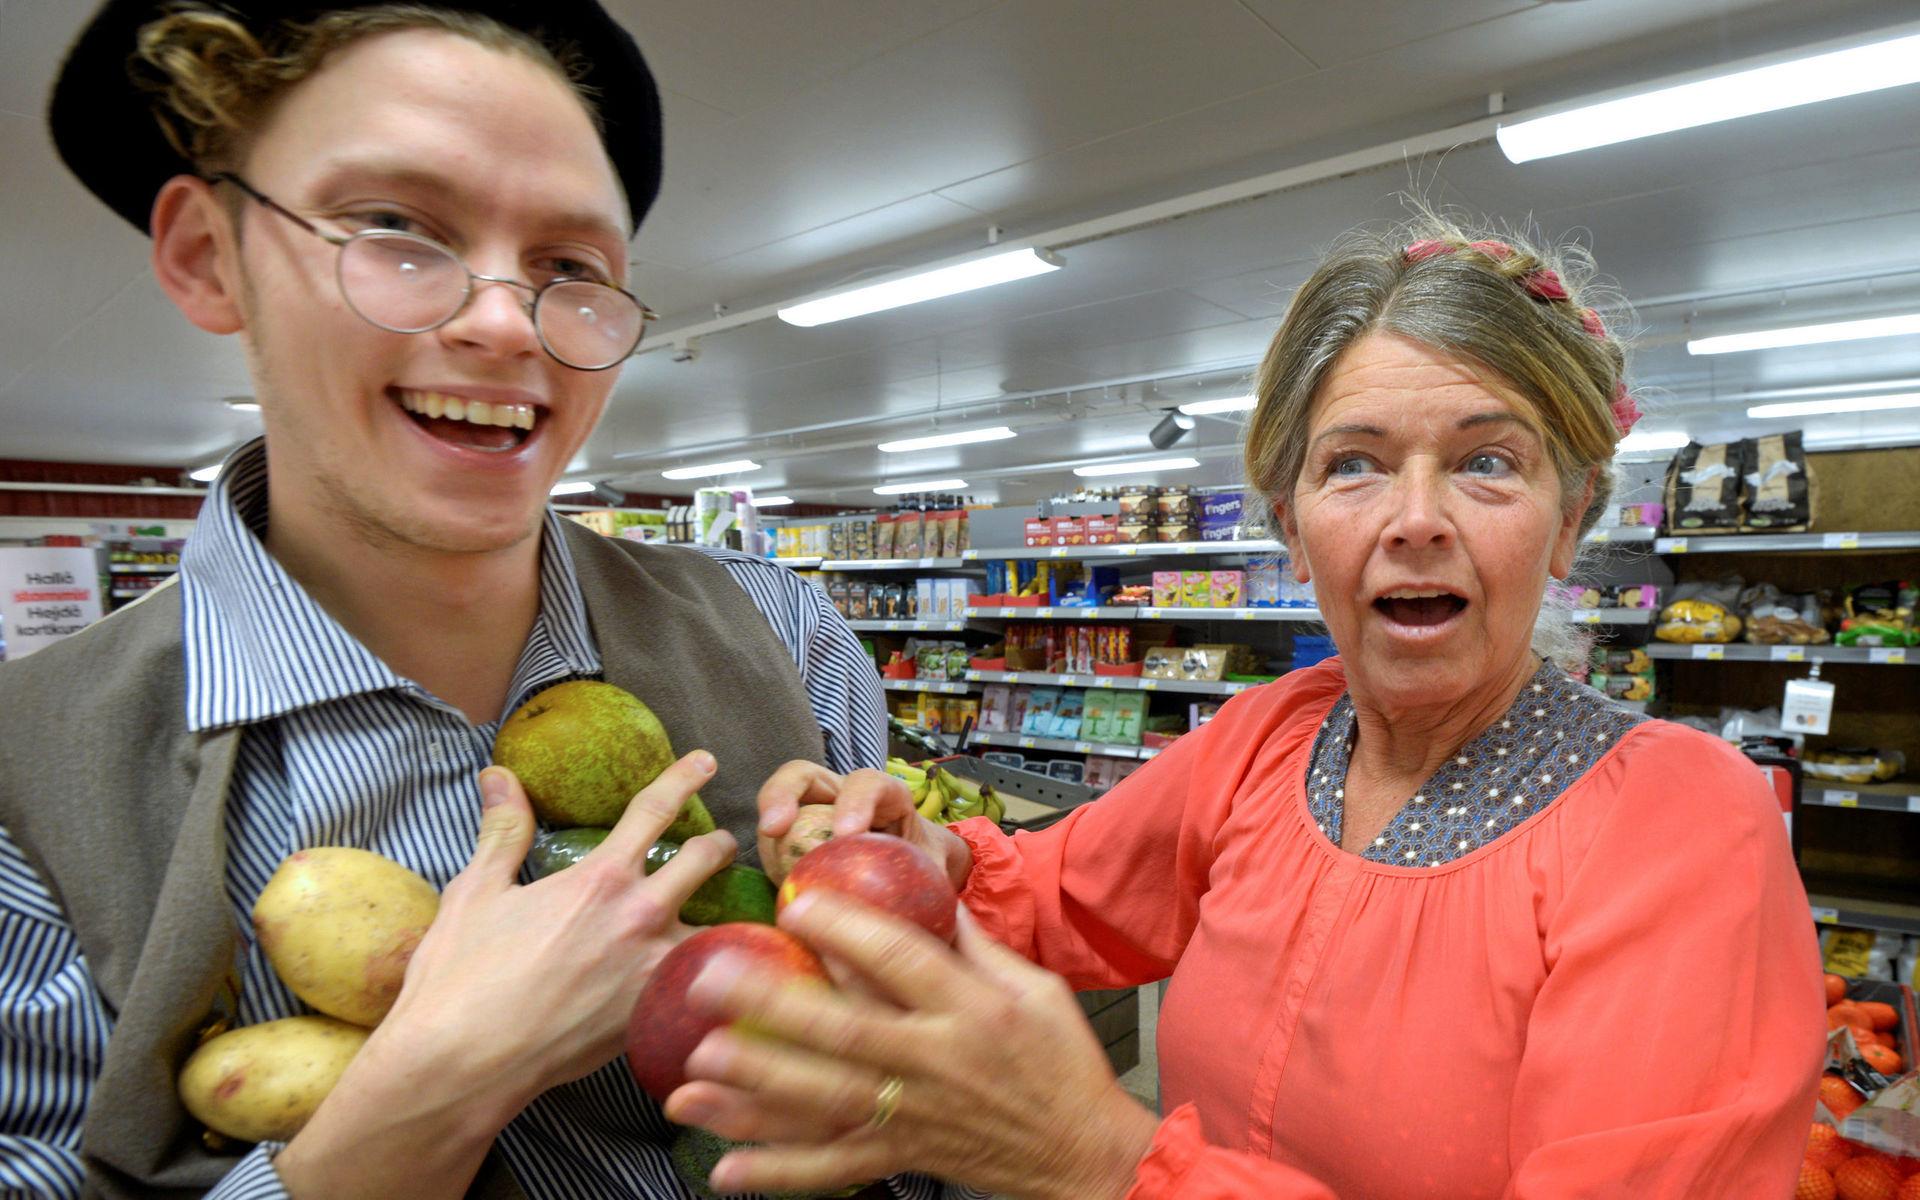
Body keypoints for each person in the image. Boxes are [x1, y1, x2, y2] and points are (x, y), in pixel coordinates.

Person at [0, 4, 967, 1198]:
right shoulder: (27, 789)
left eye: (573, 270)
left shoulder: (787, 635)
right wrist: (418, 1109)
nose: (508, 322)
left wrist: (907, 962)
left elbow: (918, 1113)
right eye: (398, 228)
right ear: (209, 254)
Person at [674, 221, 1830, 1198]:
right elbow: (1066, 894)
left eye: (1488, 463)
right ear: (1292, 522)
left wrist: (1105, 1154)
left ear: (1570, 517)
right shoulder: (1274, 738)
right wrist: (917, 856)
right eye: (1354, 465)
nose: (1416, 518)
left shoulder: (1682, 828)